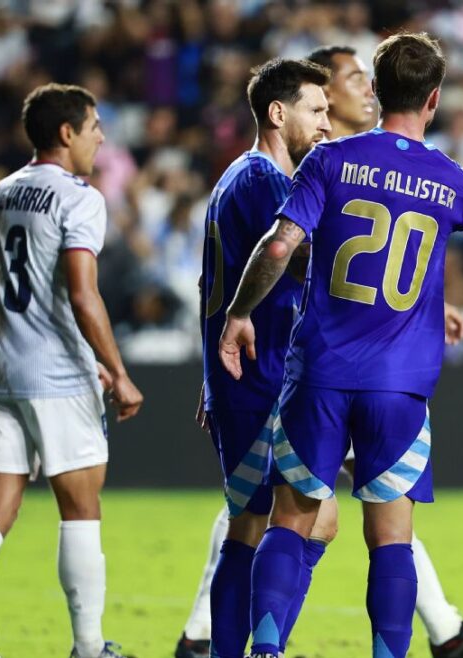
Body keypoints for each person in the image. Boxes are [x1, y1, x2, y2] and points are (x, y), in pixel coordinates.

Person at [217, 32, 463, 658]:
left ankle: (265, 648)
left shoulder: (329, 160)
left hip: (319, 375)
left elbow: (280, 244)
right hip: (400, 385)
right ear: (434, 99)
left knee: (291, 518)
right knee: (391, 537)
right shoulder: (450, 178)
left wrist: (239, 312)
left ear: (376, 88)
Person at [0, 83, 144, 658]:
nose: (101, 138)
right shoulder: (78, 198)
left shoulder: (0, 194)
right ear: (67, 132)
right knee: (81, 511)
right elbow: (83, 294)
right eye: (94, 127)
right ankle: (88, 645)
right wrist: (116, 369)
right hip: (58, 378)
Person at [183, 58, 333, 658]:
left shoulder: (235, 179)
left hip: (245, 376)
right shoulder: (264, 181)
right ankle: (260, 650)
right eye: (315, 110)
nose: (326, 124)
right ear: (277, 113)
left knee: (258, 523)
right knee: (294, 522)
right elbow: (297, 256)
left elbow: (209, 283)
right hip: (262, 374)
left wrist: (209, 375)